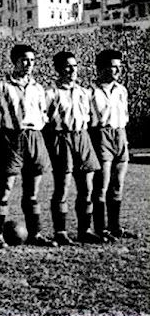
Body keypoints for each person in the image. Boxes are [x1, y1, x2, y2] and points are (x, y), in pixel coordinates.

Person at [0, 44, 57, 249]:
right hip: (10, 138)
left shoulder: (38, 88)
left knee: (32, 191)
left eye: (32, 60)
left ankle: (36, 234)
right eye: (24, 60)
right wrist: (2, 128)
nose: (29, 64)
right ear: (14, 61)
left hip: (34, 137)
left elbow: (44, 113)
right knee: (5, 189)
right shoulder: (0, 86)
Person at [45, 51, 102, 245]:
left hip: (82, 137)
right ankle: (60, 232)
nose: (72, 70)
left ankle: (85, 230)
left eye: (75, 66)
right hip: (62, 137)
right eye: (68, 66)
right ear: (59, 69)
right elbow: (44, 119)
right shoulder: (50, 92)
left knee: (87, 187)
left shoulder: (83, 92)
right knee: (63, 187)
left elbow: (89, 116)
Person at [89, 49, 140, 241]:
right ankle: (101, 229)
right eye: (113, 66)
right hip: (101, 135)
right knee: (101, 185)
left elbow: (123, 116)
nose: (118, 71)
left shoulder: (121, 90)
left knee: (117, 185)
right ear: (101, 68)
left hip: (120, 134)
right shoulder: (90, 91)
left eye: (120, 67)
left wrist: (124, 139)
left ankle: (115, 227)